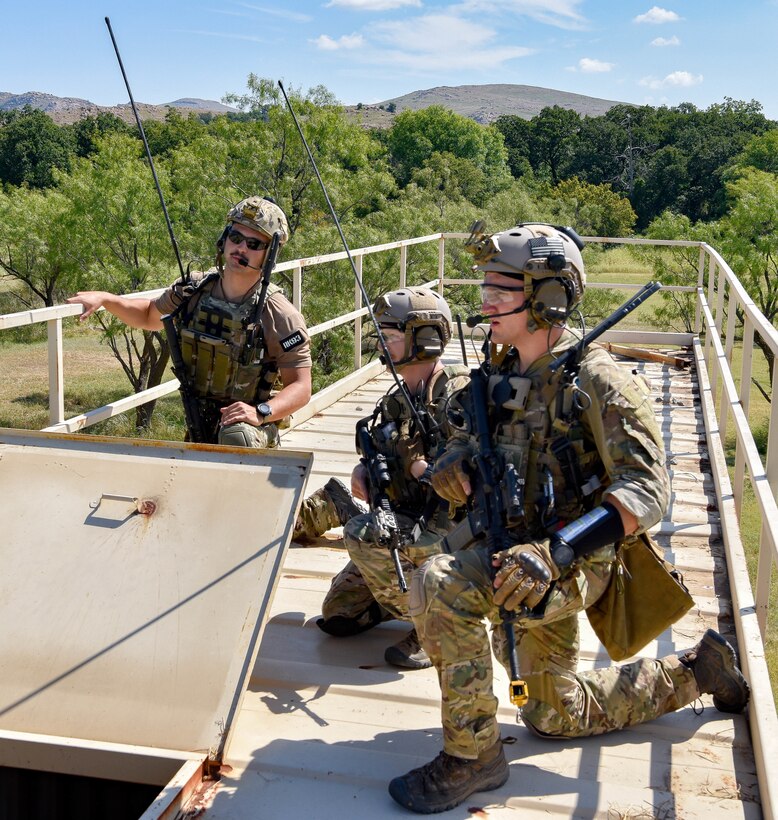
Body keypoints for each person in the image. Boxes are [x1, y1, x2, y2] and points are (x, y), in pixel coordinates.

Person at [388, 223, 751, 814]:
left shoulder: (598, 381)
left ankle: (472, 756)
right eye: (484, 288)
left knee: (441, 583)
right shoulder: (498, 369)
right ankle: (696, 670)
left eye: (501, 290)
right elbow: (468, 440)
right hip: (511, 547)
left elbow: (648, 489)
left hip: (576, 558)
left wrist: (551, 552)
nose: (485, 302)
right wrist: (454, 465)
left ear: (549, 299)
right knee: (552, 715)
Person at [316, 287, 469, 669]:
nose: (381, 345)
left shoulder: (458, 396)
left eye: (390, 337)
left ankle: (442, 620)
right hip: (405, 521)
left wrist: (426, 470)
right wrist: (363, 469)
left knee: (360, 534)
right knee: (340, 614)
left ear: (426, 339)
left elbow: (472, 481)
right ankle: (410, 597)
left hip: (453, 532)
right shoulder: (399, 396)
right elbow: (384, 447)